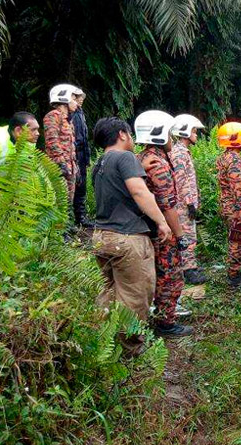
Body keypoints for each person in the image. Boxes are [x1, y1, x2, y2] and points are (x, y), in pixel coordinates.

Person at [91, 117, 172, 353]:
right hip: (128, 239)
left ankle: (103, 347)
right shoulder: (125, 157)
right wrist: (162, 222)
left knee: (108, 293)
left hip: (103, 236)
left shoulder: (101, 162)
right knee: (135, 296)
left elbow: (118, 187)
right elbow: (138, 191)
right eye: (129, 134)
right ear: (122, 134)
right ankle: (130, 351)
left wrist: (140, 170)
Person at [134, 110, 192, 338]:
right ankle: (166, 323)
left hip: (147, 229)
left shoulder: (142, 158)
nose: (172, 139)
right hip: (162, 232)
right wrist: (180, 236)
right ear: (159, 135)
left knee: (157, 275)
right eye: (169, 134)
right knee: (171, 276)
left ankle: (157, 318)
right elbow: (168, 206)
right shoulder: (157, 164)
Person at [216, 121, 241, 288]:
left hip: (227, 204)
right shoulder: (234, 160)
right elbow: (239, 189)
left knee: (233, 239)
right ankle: (234, 275)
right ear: (234, 138)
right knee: (238, 240)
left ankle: (233, 271)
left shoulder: (224, 157)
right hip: (236, 208)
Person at [171, 114, 207, 285]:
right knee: (187, 236)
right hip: (183, 205)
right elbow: (181, 180)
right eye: (194, 131)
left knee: (189, 234)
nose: (196, 134)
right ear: (185, 132)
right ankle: (188, 270)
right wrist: (189, 203)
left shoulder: (183, 152)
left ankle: (188, 267)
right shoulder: (178, 153)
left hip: (186, 202)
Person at [44, 84, 81, 202]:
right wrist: (61, 163)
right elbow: (51, 140)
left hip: (69, 169)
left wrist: (75, 167)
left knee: (68, 203)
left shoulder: (68, 121)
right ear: (64, 98)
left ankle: (68, 221)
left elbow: (71, 147)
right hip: (58, 168)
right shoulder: (53, 116)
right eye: (74, 99)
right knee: (58, 202)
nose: (76, 103)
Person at [70, 86, 91, 227]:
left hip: (82, 156)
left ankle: (81, 218)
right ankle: (73, 220)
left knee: (81, 187)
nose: (81, 99)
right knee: (73, 188)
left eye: (81, 97)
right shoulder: (70, 114)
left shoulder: (80, 113)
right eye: (78, 97)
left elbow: (84, 138)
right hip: (75, 155)